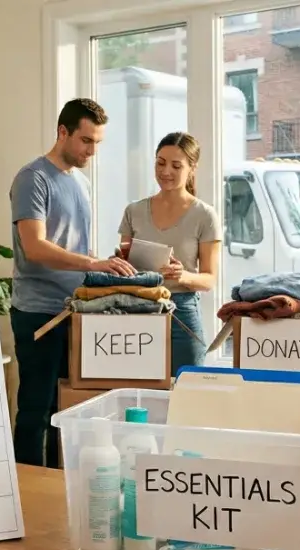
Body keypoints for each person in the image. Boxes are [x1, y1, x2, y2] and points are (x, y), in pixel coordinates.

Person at [9, 98, 135, 468]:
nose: (91, 151)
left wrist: (110, 262)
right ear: (62, 132)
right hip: (38, 313)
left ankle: (55, 489)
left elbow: (75, 248)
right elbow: (35, 247)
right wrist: (92, 262)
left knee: (65, 411)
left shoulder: (81, 183)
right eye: (86, 141)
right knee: (36, 409)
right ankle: (28, 491)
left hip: (76, 311)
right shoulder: (32, 178)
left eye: (97, 142)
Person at [116, 131, 222, 375]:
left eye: (176, 165)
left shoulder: (205, 215)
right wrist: (117, 263)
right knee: (137, 390)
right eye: (160, 163)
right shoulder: (134, 211)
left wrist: (182, 275)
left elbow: (209, 279)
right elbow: (124, 259)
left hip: (182, 310)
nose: (166, 172)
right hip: (138, 307)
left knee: (186, 391)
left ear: (192, 168)